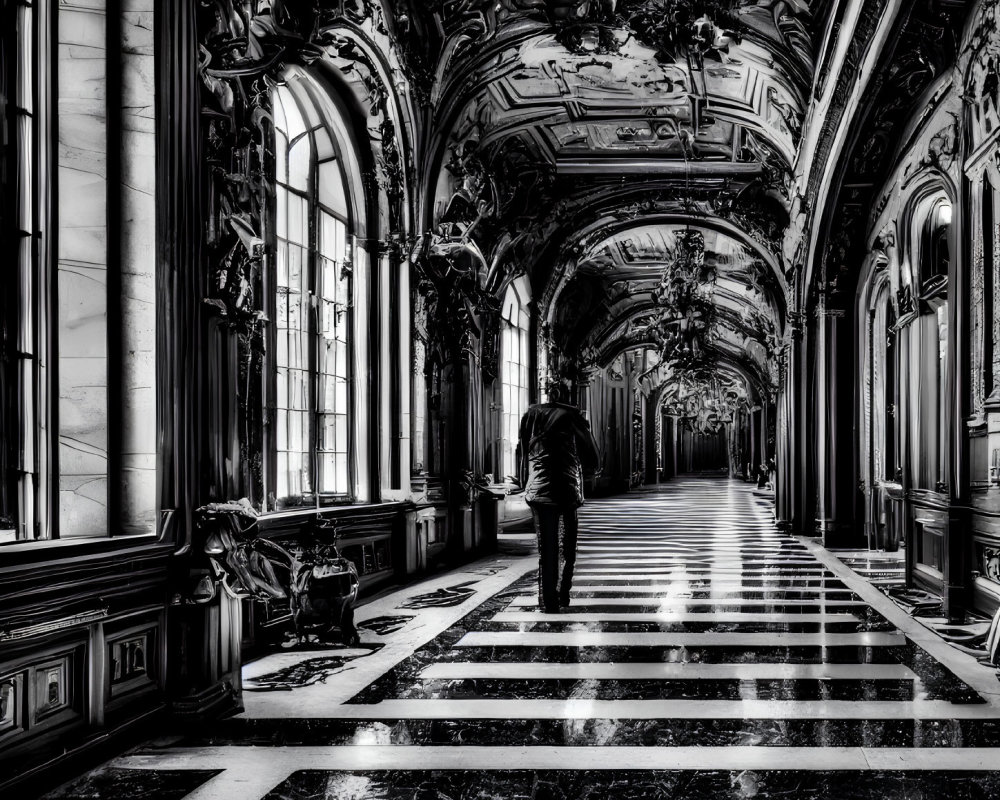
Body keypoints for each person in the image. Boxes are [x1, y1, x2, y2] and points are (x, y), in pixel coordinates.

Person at [517, 382, 600, 614]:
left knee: (547, 547)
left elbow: (522, 451)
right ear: (564, 395)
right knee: (568, 546)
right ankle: (563, 594)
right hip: (566, 488)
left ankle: (548, 600)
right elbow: (592, 454)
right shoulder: (573, 416)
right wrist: (591, 470)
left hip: (537, 490)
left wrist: (526, 481)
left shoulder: (529, 416)